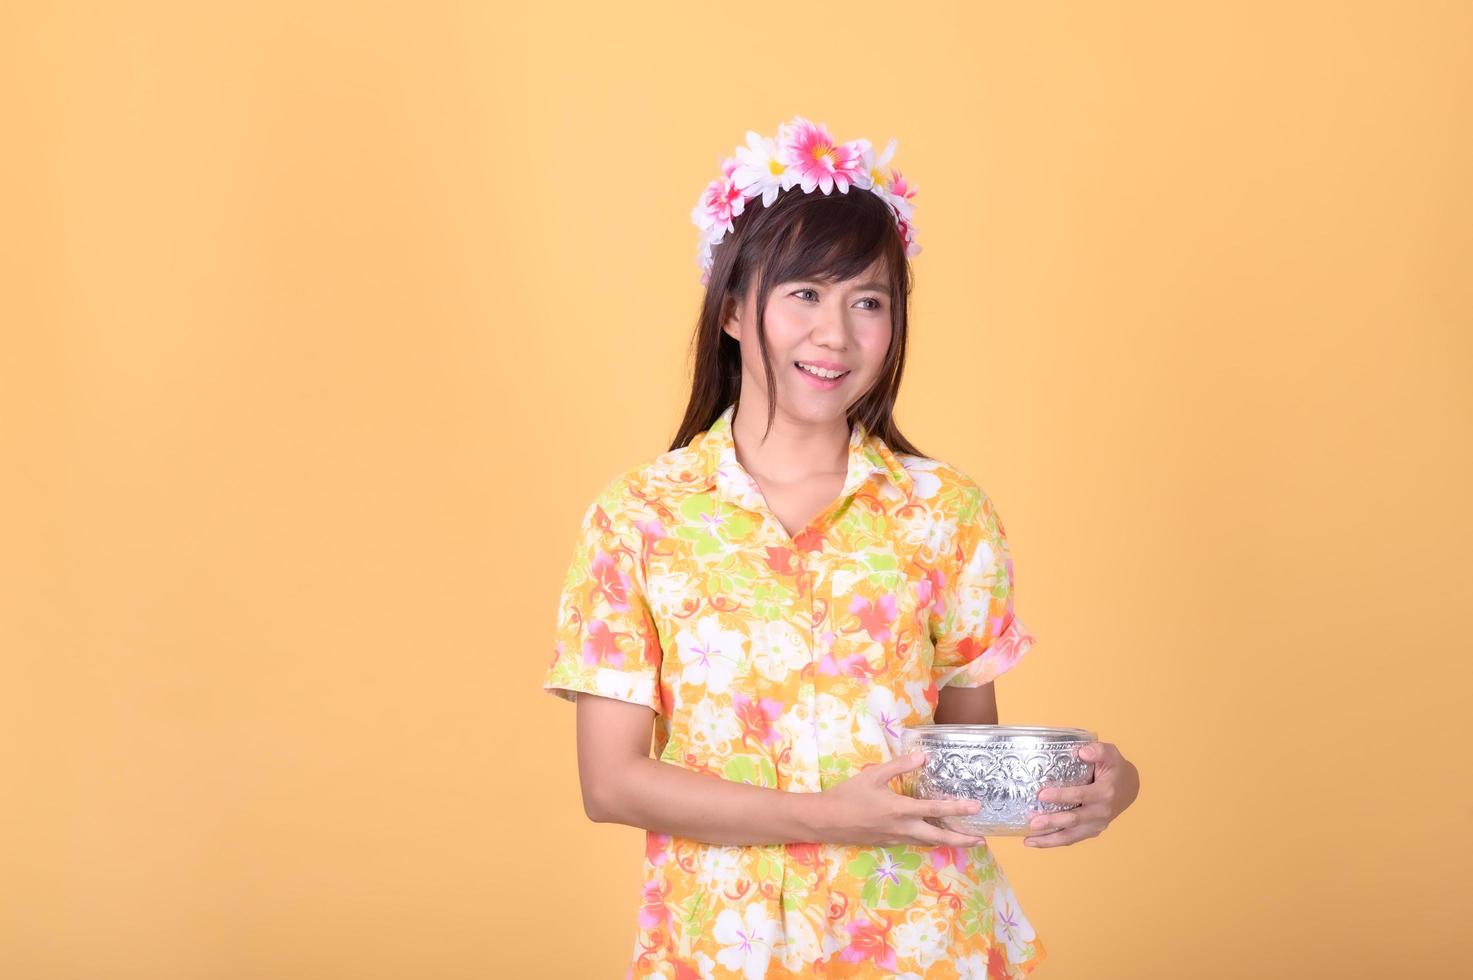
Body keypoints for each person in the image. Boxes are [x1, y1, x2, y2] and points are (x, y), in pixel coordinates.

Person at [542, 115, 1141, 978]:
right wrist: (826, 815)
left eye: (868, 301)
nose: (835, 334)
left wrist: (1101, 785)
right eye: (804, 295)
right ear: (736, 310)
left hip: (926, 943)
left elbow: (966, 761)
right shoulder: (641, 515)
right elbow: (612, 784)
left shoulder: (944, 510)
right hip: (723, 948)